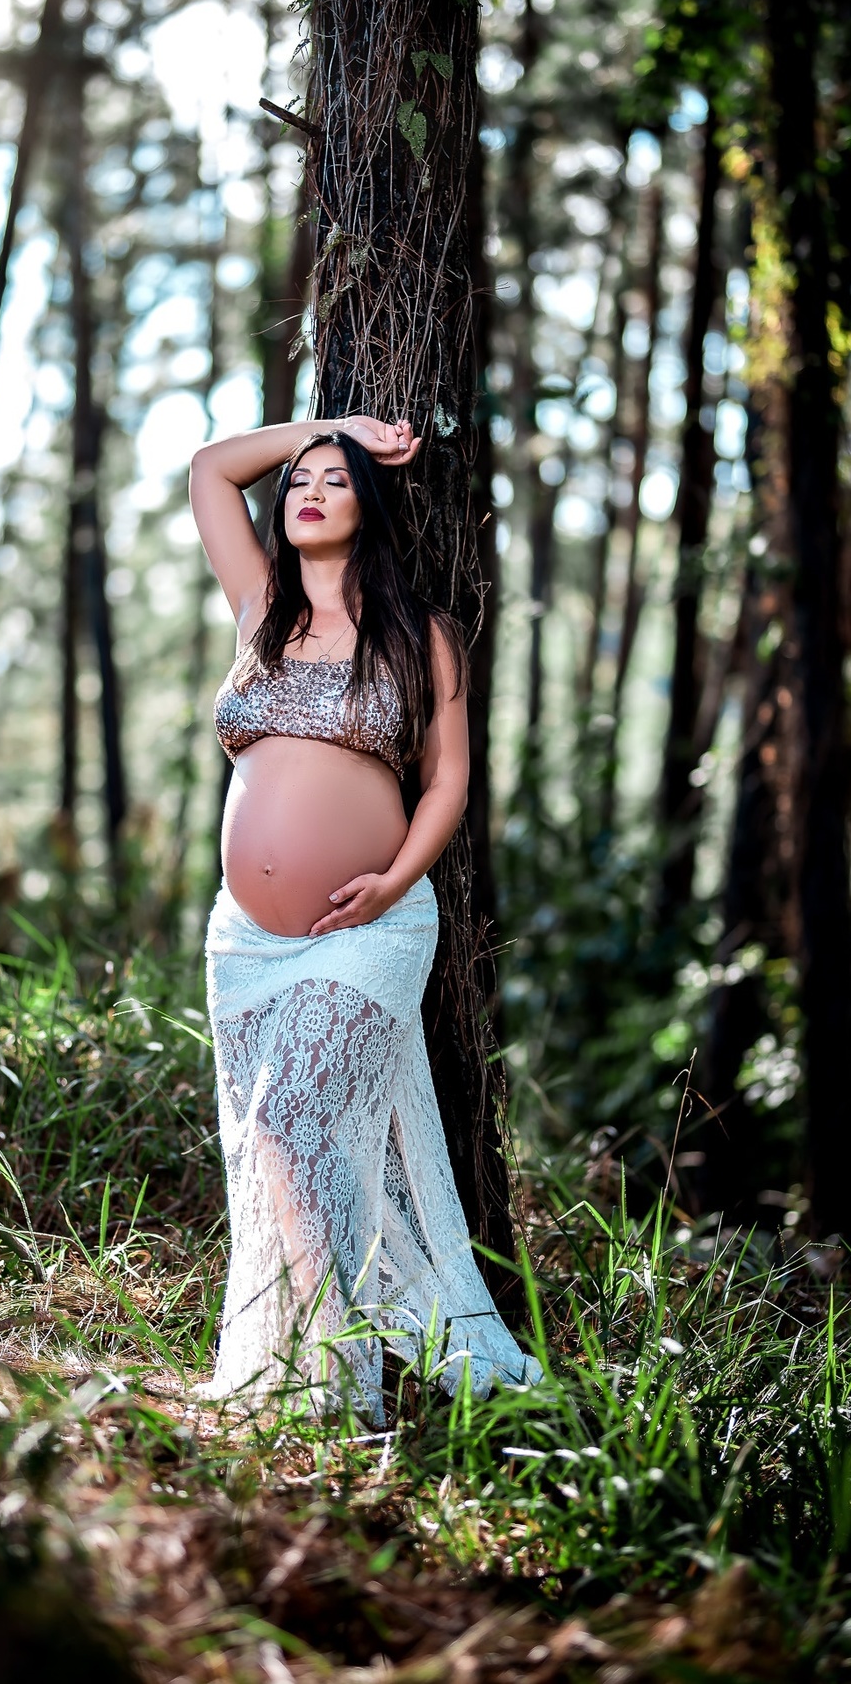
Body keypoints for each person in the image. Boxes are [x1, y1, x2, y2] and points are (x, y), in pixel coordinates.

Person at [190, 414, 538, 1418]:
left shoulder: (417, 632)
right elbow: (212, 468)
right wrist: (333, 426)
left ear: (367, 508)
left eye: (336, 480)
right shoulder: (260, 606)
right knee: (275, 1145)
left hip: (368, 931)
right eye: (299, 479)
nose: (308, 489)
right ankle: (311, 1372)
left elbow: (448, 785)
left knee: (291, 1118)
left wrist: (390, 883)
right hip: (245, 943)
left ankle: (350, 1379)